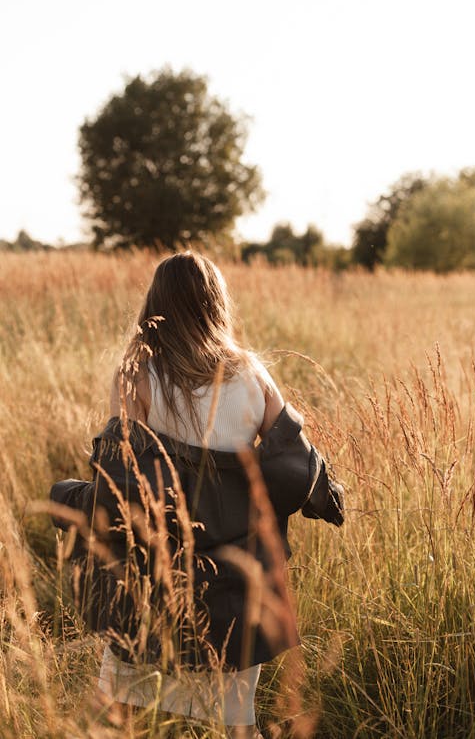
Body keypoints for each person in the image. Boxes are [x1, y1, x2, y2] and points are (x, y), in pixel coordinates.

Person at [50, 250, 344, 738]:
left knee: (115, 706)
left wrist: (72, 498)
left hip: (154, 576)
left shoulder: (138, 372)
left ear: (156, 303)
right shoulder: (252, 373)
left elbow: (123, 482)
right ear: (217, 303)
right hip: (235, 580)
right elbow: (294, 460)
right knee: (237, 721)